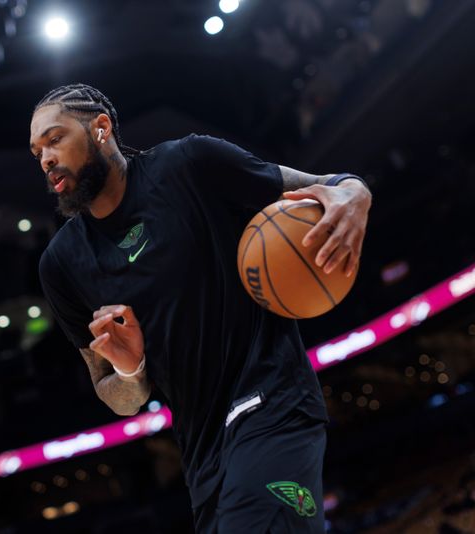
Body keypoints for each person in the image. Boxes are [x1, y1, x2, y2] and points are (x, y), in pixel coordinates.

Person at [31, 84, 371, 533]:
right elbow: (116, 396)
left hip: (273, 402)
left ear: (100, 128)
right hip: (202, 453)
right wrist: (132, 371)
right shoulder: (61, 265)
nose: (46, 158)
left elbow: (324, 187)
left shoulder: (189, 164)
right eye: (37, 151)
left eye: (55, 139)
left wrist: (355, 191)